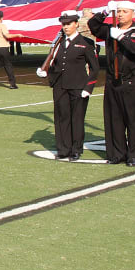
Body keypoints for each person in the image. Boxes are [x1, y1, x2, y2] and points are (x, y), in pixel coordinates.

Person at [86, 2, 135, 167]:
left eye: (125, 11)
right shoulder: (110, 30)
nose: (121, 14)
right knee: (114, 119)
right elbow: (93, 25)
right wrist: (106, 11)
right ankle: (117, 153)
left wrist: (121, 37)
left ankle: (133, 154)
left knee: (133, 119)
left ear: (133, 14)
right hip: (112, 81)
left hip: (131, 81)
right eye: (119, 11)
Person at [38, 11, 97, 161]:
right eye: (63, 24)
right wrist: (46, 72)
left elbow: (94, 68)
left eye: (69, 23)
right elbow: (55, 63)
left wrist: (88, 88)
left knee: (76, 119)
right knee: (61, 118)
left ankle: (76, 149)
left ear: (76, 24)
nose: (66, 27)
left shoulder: (85, 43)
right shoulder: (58, 43)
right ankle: (63, 149)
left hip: (78, 86)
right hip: (60, 85)